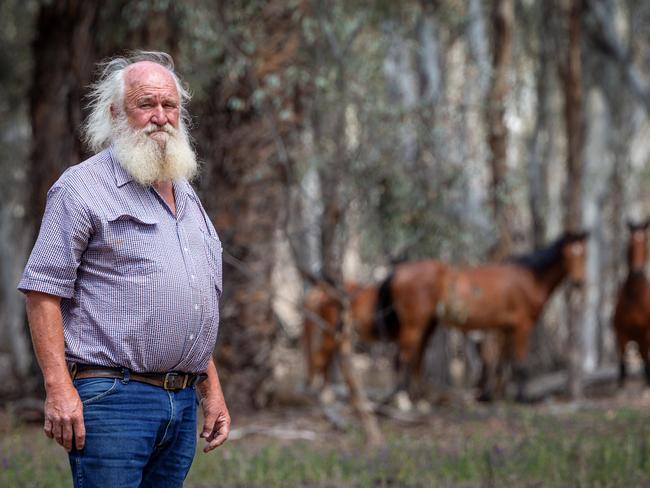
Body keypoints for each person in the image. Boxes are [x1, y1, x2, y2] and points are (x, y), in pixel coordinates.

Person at [18, 51, 230, 487]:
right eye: (146, 104)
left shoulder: (187, 194)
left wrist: (211, 389)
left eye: (169, 106)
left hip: (181, 399)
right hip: (114, 398)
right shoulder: (80, 189)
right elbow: (42, 292)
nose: (160, 117)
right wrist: (58, 388)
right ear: (116, 113)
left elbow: (190, 298)